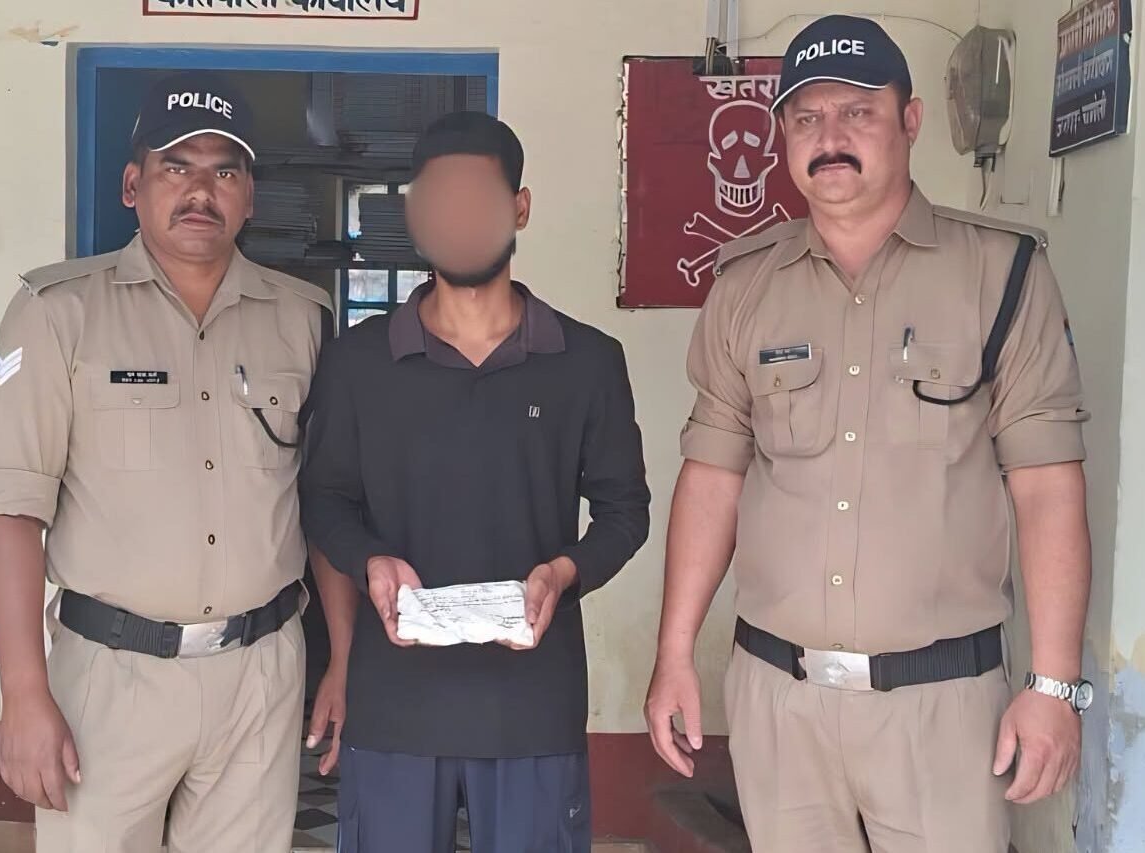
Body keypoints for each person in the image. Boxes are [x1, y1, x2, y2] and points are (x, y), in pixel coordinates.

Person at [644, 15, 1093, 853]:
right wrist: (674, 653)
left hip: (943, 707)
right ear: (784, 136)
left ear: (910, 120)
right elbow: (712, 476)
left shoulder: (1002, 273)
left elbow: (1047, 486)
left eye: (858, 112)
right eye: (807, 118)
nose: (831, 138)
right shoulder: (744, 285)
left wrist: (1055, 684)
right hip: (779, 700)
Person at [0, 71, 334, 853]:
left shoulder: (302, 319)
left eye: (225, 171)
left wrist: (344, 658)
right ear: (133, 185)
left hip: (261, 672)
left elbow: (326, 501)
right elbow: (12, 513)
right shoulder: (57, 313)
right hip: (110, 677)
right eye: (178, 166)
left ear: (249, 197)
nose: (201, 190)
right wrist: (23, 692)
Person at [299, 111, 651, 853]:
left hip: (531, 708)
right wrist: (370, 561)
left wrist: (564, 572)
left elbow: (625, 511)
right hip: (394, 705)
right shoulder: (358, 362)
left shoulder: (586, 361)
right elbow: (325, 498)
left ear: (519, 208)